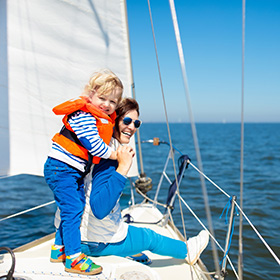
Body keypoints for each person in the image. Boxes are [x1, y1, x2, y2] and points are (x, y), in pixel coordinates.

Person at [78, 97, 210, 265]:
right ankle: (188, 251)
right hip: (96, 243)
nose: (132, 127)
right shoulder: (109, 157)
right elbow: (99, 209)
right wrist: (123, 166)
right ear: (114, 120)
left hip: (81, 238)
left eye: (136, 123)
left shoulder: (100, 148)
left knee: (133, 232)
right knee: (149, 238)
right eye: (127, 121)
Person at [44, 69, 123, 275]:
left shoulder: (98, 116)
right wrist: (116, 155)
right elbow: (95, 146)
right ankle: (73, 258)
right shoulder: (84, 115)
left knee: (74, 206)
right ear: (91, 95)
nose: (106, 105)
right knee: (72, 209)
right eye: (102, 98)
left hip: (71, 171)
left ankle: (59, 248)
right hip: (61, 169)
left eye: (112, 102)